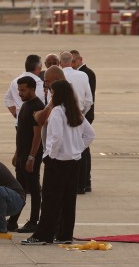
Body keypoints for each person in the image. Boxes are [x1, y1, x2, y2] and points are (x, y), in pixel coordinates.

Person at [22, 80, 95, 246]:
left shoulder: (57, 112)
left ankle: (43, 235)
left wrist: (50, 155)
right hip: (74, 161)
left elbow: (56, 138)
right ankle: (65, 234)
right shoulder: (76, 111)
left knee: (50, 200)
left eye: (52, 93)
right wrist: (77, 149)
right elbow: (90, 134)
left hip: (57, 162)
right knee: (68, 200)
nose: (50, 96)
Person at [11, 75, 45, 233]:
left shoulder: (37, 106)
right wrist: (17, 153)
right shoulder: (25, 105)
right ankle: (13, 220)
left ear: (32, 89)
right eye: (19, 90)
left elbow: (37, 135)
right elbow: (22, 133)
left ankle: (33, 220)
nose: (20, 93)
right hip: (22, 154)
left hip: (31, 156)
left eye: (23, 90)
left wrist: (31, 157)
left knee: (33, 187)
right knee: (19, 188)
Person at [71, 49, 97, 194]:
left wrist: (82, 115)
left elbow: (88, 98)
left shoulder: (86, 73)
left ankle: (86, 180)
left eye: (74, 61)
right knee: (82, 148)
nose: (72, 64)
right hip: (82, 114)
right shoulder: (81, 73)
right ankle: (85, 180)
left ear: (81, 60)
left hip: (84, 114)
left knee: (83, 148)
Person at [3, 54, 43, 120]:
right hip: (33, 121)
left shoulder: (15, 81)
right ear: (38, 68)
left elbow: (7, 98)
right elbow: (42, 100)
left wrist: (16, 114)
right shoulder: (38, 82)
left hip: (19, 120)